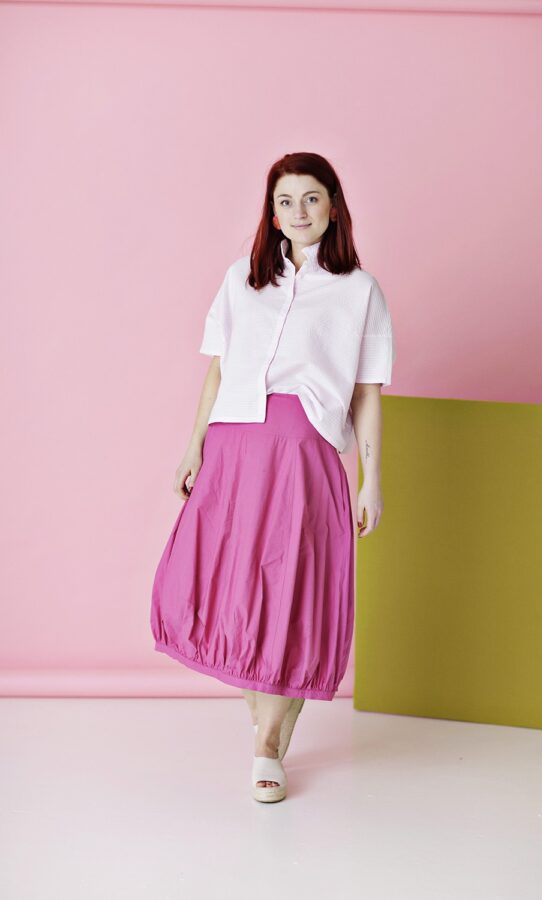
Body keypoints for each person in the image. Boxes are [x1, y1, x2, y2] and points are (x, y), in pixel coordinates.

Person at [150, 151, 396, 803]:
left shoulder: (360, 291)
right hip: (234, 446)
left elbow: (367, 393)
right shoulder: (242, 279)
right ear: (272, 212)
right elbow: (218, 369)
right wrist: (193, 447)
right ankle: (267, 720)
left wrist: (371, 479)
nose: (298, 211)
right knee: (236, 587)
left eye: (311, 198)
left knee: (292, 589)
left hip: (303, 451)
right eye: (285, 201)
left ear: (334, 206)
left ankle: (267, 742)